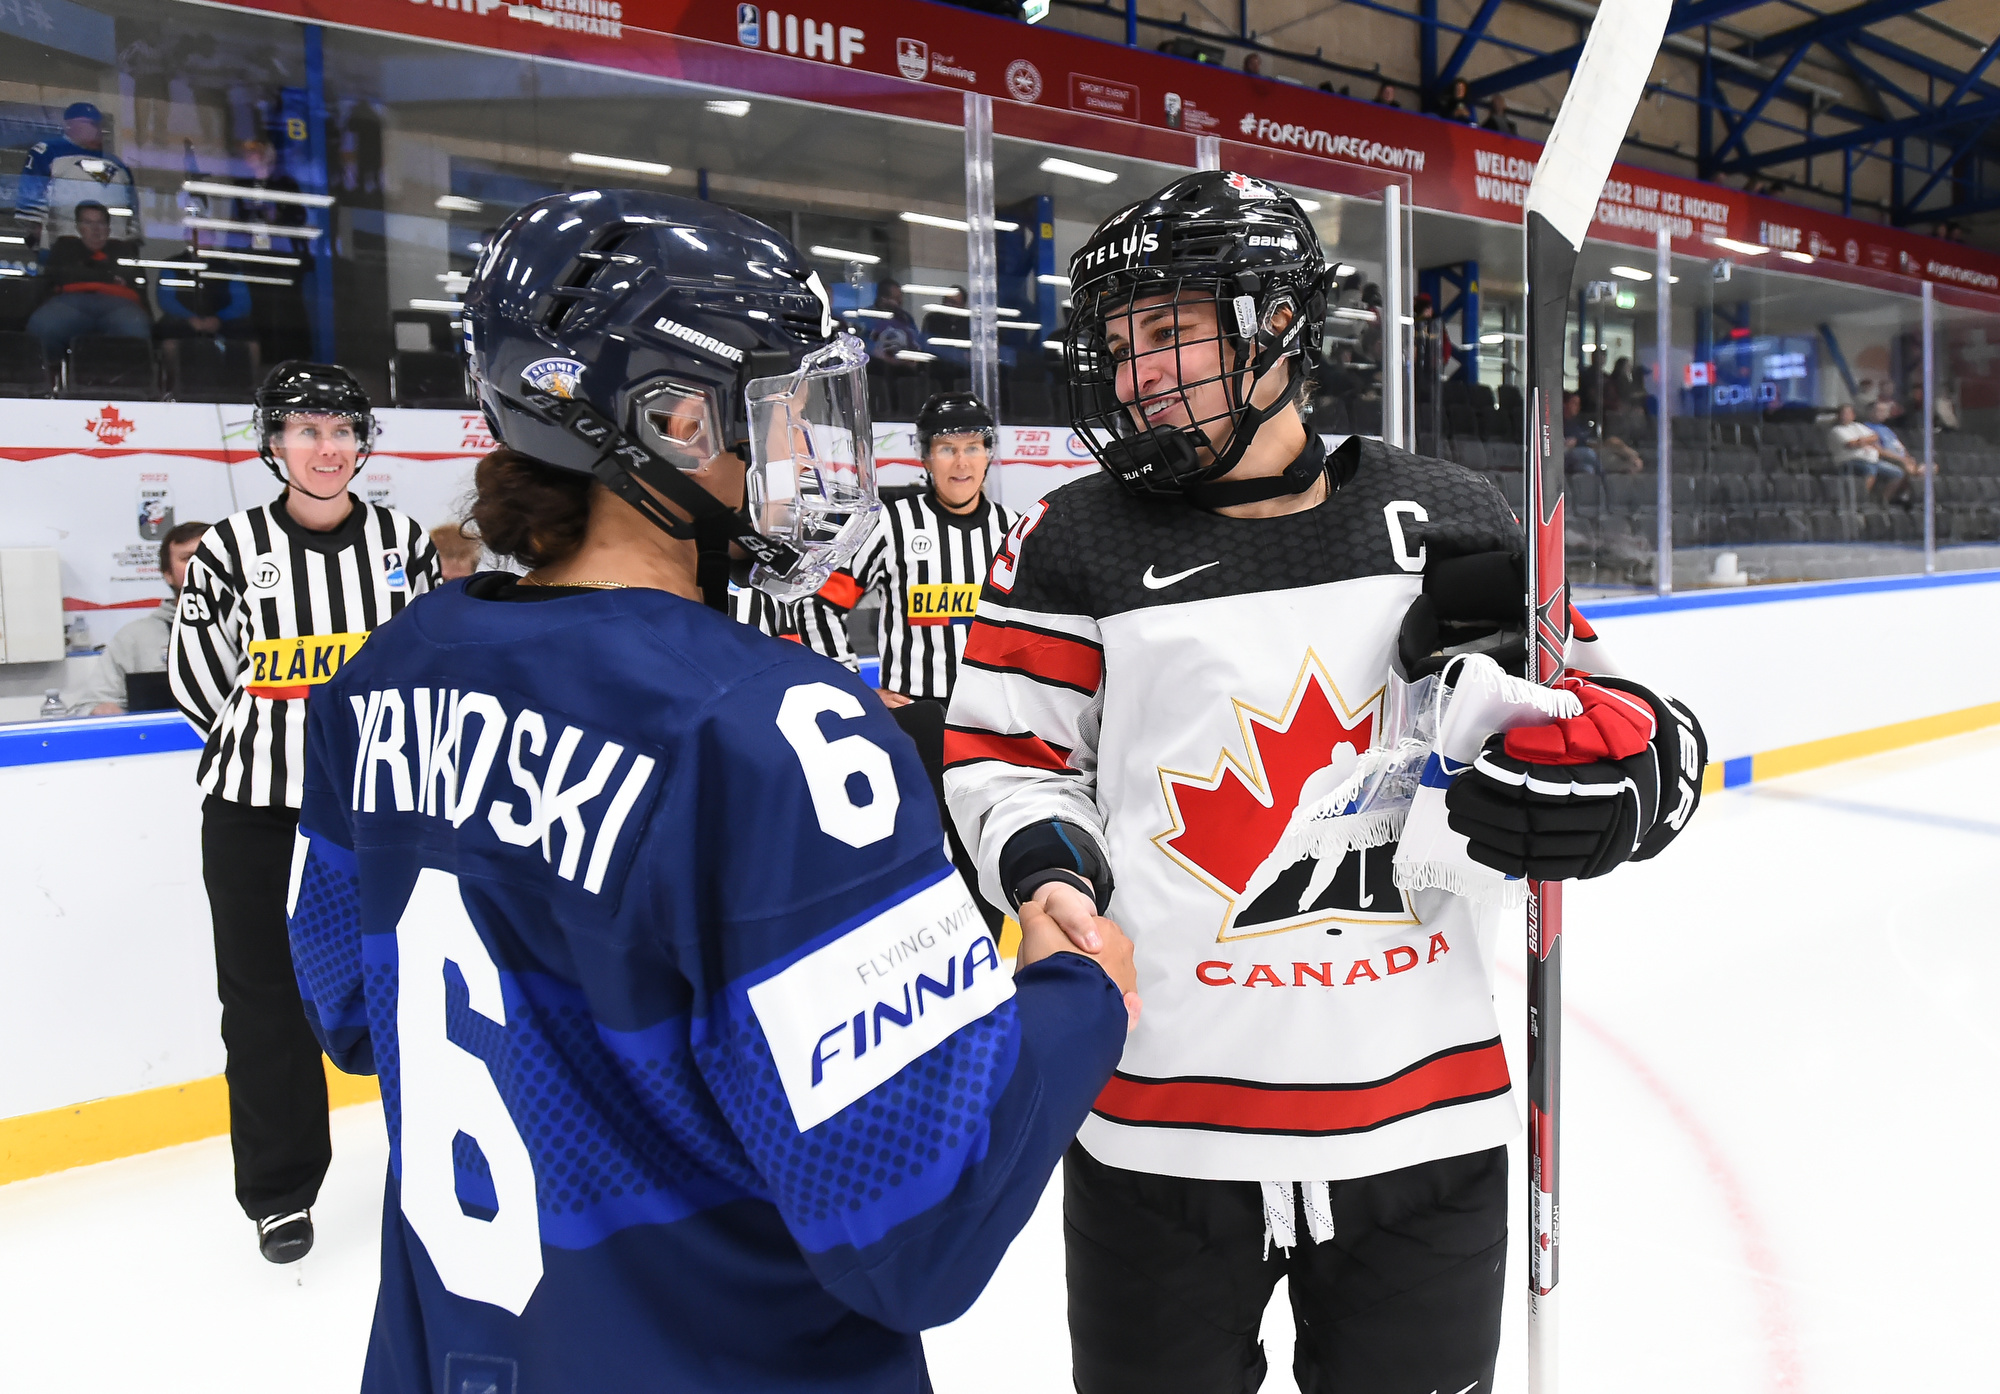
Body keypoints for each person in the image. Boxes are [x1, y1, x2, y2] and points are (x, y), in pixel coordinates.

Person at [284, 188, 1137, 1391]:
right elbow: (916, 1223)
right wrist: (1079, 995)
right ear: (676, 421)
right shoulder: (773, 727)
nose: (802, 450)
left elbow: (351, 1014)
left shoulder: (378, 678)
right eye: (779, 410)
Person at [944, 170, 1708, 1394]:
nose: (1138, 373)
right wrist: (1046, 866)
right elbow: (1006, 754)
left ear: (1276, 328)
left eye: (1172, 332)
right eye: (1122, 342)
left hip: (1425, 1124)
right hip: (1157, 1130)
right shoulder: (1072, 538)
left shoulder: (1446, 519)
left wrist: (1620, 773)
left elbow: (1627, 725)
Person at [168, 361, 441, 1265]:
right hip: (254, 813)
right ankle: (281, 1193)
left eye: (341, 430)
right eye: (306, 430)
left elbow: (428, 667)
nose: (326, 449)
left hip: (376, 814)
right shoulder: (229, 549)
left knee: (409, 990)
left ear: (363, 443)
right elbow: (200, 681)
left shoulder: (406, 542)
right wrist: (276, 752)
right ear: (272, 442)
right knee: (261, 1001)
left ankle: (434, 1162)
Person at [804, 390, 1019, 929]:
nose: (962, 462)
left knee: (983, 847)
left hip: (989, 722)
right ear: (924, 457)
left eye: (973, 447)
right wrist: (856, 686)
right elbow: (821, 602)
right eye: (947, 449)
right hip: (913, 720)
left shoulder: (1015, 531)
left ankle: (984, 960)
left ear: (989, 454)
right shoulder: (890, 525)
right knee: (910, 847)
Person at [75, 520, 209, 715]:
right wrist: (102, 710)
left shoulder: (256, 627)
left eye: (210, 555)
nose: (201, 564)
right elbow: (88, 707)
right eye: (189, 558)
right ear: (168, 574)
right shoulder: (134, 638)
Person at [24, 201, 150, 358]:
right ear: (78, 227)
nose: (95, 229)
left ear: (108, 228)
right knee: (42, 328)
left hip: (119, 306)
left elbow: (138, 284)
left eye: (100, 223)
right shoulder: (64, 247)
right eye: (88, 223)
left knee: (138, 332)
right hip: (70, 303)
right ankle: (50, 377)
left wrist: (83, 274)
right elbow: (54, 278)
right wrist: (109, 277)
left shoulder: (123, 250)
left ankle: (125, 380)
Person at [17, 101, 138, 246]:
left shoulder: (116, 163)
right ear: (69, 125)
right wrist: (39, 235)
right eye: (90, 123)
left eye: (98, 125)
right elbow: (31, 197)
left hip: (113, 246)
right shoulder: (48, 151)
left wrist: (131, 240)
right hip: (66, 244)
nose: (97, 130)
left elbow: (132, 208)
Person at [1827, 401, 1904, 502]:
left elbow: (1875, 436)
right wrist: (1866, 441)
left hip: (1871, 460)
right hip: (1849, 461)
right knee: (1869, 468)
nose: (1846, 416)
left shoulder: (1858, 426)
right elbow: (1851, 444)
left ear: (1853, 415)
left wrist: (1862, 441)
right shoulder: (1836, 430)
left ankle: (1883, 500)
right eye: (1843, 413)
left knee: (1898, 473)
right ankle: (1862, 499)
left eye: (1848, 413)